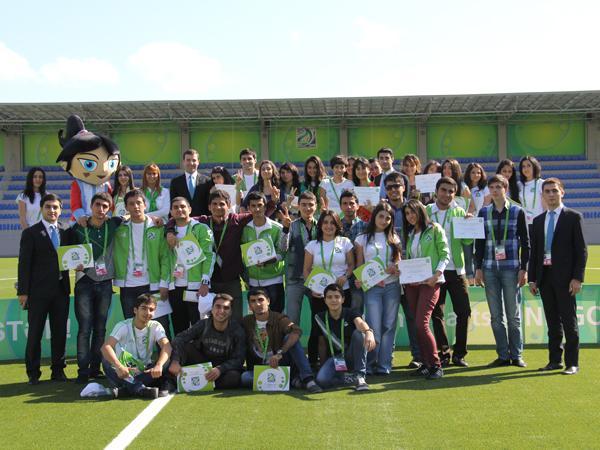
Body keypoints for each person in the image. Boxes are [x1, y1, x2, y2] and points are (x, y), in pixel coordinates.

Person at [166, 189, 278, 320]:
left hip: (232, 279)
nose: (218, 207)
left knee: (235, 319)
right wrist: (169, 230)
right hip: (210, 281)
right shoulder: (203, 221)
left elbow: (258, 212)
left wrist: (273, 202)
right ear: (209, 207)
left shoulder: (237, 220)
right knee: (213, 321)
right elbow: (179, 218)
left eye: (222, 204)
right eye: (214, 204)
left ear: (229, 205)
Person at [528, 178, 587, 375]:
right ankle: (554, 361)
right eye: (547, 191)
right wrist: (532, 279)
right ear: (542, 195)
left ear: (562, 192)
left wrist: (577, 278)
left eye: (554, 190)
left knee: (569, 322)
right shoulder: (538, 221)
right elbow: (535, 253)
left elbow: (581, 251)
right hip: (545, 278)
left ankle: (572, 363)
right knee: (552, 322)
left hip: (566, 279)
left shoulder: (573, 217)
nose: (551, 194)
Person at [474, 174, 529, 367]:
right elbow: (479, 243)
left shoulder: (517, 211)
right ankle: (503, 355)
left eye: (499, 187)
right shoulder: (483, 212)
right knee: (496, 316)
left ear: (505, 188)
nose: (495, 190)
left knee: (513, 316)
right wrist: (478, 268)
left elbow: (526, 243)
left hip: (511, 269)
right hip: (489, 269)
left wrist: (524, 268)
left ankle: (517, 355)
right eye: (492, 187)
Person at [69, 192, 123, 384]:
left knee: (100, 328)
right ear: (91, 207)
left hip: (105, 282)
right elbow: (67, 253)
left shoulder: (113, 223)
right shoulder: (78, 226)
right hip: (84, 281)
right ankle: (83, 371)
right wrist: (73, 263)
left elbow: (132, 214)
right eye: (97, 205)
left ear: (109, 209)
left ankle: (95, 368)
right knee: (85, 328)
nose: (101, 209)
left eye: (105, 206)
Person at [17, 193, 71, 385]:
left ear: (61, 210)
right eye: (48, 207)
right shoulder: (31, 233)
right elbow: (24, 264)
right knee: (35, 333)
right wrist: (23, 292)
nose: (52, 210)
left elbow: (75, 254)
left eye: (55, 207)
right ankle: (33, 372)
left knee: (59, 333)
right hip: (37, 292)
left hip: (61, 291)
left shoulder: (66, 231)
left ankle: (58, 370)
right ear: (41, 209)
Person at [426, 177, 473, 367]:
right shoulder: (426, 211)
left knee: (464, 311)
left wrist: (469, 226)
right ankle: (443, 353)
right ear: (436, 191)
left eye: (451, 191)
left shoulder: (460, 211)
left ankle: (459, 354)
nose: (447, 194)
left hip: (456, 269)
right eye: (443, 190)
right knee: (437, 313)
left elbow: (467, 242)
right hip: (435, 271)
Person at [402, 199, 450, 379]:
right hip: (412, 284)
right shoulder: (410, 233)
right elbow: (410, 259)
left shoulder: (435, 228)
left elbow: (445, 254)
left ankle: (436, 366)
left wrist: (436, 275)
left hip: (430, 282)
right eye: (407, 214)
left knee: (422, 323)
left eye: (413, 212)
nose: (410, 216)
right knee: (417, 325)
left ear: (421, 211)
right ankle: (425, 364)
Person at [112, 189, 171, 335]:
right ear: (126, 207)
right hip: (128, 286)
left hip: (153, 284)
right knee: (133, 328)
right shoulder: (119, 228)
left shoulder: (157, 227)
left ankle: (166, 351)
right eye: (131, 204)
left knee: (161, 328)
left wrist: (164, 282)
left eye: (139, 203)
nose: (136, 207)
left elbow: (165, 257)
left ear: (145, 204)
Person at [241, 288, 322, 393]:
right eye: (253, 301)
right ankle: (293, 381)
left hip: (281, 363)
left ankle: (308, 380)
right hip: (261, 368)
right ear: (249, 305)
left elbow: (296, 331)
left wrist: (280, 353)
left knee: (291, 337)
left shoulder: (278, 318)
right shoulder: (246, 321)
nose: (257, 304)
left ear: (268, 301)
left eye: (260, 300)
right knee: (245, 377)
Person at [354, 202, 402, 375]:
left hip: (392, 286)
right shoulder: (362, 238)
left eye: (388, 218)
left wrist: (395, 268)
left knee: (389, 326)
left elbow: (398, 262)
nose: (384, 221)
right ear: (374, 216)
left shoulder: (394, 238)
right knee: (373, 326)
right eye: (381, 216)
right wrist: (361, 279)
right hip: (372, 288)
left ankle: (384, 365)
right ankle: (370, 364)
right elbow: (360, 266)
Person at [303, 210, 355, 367]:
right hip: (319, 294)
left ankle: (344, 362)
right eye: (325, 222)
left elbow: (351, 265)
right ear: (320, 225)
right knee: (318, 329)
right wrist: (312, 287)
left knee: (342, 329)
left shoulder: (345, 242)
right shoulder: (312, 245)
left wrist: (346, 276)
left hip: (341, 292)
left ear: (337, 225)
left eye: (332, 222)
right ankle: (316, 363)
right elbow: (306, 270)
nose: (329, 226)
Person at [101, 294, 172, 399]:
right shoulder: (123, 326)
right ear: (135, 310)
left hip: (145, 370)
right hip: (125, 370)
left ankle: (126, 389)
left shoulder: (156, 326)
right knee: (106, 361)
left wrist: (159, 365)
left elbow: (167, 346)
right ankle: (140, 389)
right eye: (143, 308)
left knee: (166, 360)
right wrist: (119, 366)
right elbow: (106, 347)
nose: (147, 313)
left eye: (151, 310)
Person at [383, 173, 421, 368]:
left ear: (404, 187)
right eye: (389, 187)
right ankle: (386, 358)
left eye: (396, 186)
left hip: (410, 270)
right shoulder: (382, 210)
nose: (393, 190)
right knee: (388, 319)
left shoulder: (412, 208)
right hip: (387, 272)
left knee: (412, 316)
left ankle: (418, 356)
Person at [168, 294, 246, 389]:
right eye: (218, 306)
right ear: (212, 309)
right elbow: (179, 338)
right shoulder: (203, 324)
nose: (221, 311)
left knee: (234, 378)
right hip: (202, 363)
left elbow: (239, 359)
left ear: (231, 312)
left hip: (222, 367)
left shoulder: (237, 330)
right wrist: (175, 360)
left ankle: (196, 382)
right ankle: (170, 380)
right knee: (186, 346)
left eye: (226, 308)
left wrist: (220, 369)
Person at [56, 115, 119, 222]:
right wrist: (81, 217)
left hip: (101, 221)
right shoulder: (78, 184)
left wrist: (107, 216)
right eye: (89, 164)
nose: (103, 169)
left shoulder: (106, 185)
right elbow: (75, 204)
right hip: (83, 222)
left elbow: (110, 203)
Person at [167, 197, 216, 335]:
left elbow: (209, 256)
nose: (179, 209)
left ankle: (199, 350)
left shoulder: (201, 228)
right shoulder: (168, 231)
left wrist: (205, 282)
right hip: (175, 286)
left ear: (190, 209)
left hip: (196, 286)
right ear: (171, 211)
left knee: (198, 327)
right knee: (179, 327)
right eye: (175, 207)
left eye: (183, 206)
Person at [315, 284, 376, 391]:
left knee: (359, 334)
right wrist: (323, 366)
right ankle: (348, 378)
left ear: (343, 299)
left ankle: (360, 376)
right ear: (325, 300)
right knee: (322, 381)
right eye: (329, 297)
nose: (333, 300)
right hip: (335, 359)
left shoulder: (350, 312)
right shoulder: (319, 317)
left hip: (351, 356)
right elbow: (321, 344)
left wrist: (368, 332)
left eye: (337, 297)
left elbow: (360, 322)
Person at [240, 191, 290, 313]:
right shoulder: (245, 229)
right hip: (253, 281)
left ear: (265, 207)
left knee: (276, 317)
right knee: (256, 318)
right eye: (253, 206)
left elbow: (283, 252)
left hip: (274, 280)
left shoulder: (277, 228)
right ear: (248, 208)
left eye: (260, 205)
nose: (257, 209)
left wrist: (268, 261)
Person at [284, 191, 317, 326]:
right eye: (304, 204)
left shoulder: (322, 225)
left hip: (316, 277)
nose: (307, 208)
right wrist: (285, 229)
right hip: (295, 278)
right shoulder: (291, 225)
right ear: (298, 206)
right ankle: (292, 340)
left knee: (318, 316)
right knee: (292, 319)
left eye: (311, 204)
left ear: (316, 206)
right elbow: (282, 248)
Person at [169, 149, 210, 216]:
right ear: (183, 162)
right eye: (188, 160)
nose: (191, 163)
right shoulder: (175, 182)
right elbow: (173, 204)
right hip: (182, 219)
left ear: (198, 162)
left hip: (203, 219)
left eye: (194, 160)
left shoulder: (207, 181)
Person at [518, 155, 546, 227]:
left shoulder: (542, 183)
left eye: (529, 165)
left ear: (534, 166)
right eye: (523, 166)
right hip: (523, 223)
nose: (526, 168)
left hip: (539, 222)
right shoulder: (518, 185)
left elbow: (546, 207)